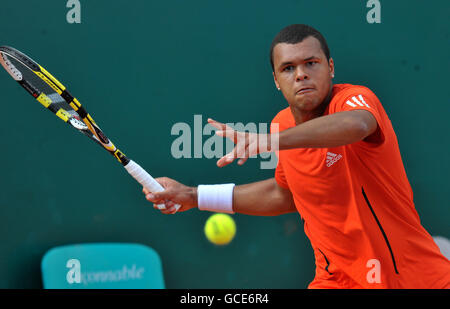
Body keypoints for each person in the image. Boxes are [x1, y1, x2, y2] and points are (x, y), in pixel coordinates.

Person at [143, 24, 450, 289]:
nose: (301, 74)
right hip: (336, 280)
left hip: (413, 278)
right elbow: (286, 193)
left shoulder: (354, 100)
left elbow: (356, 125)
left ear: (330, 67)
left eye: (311, 63)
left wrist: (271, 141)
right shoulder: (281, 124)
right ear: (276, 80)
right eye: (288, 68)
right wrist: (194, 195)